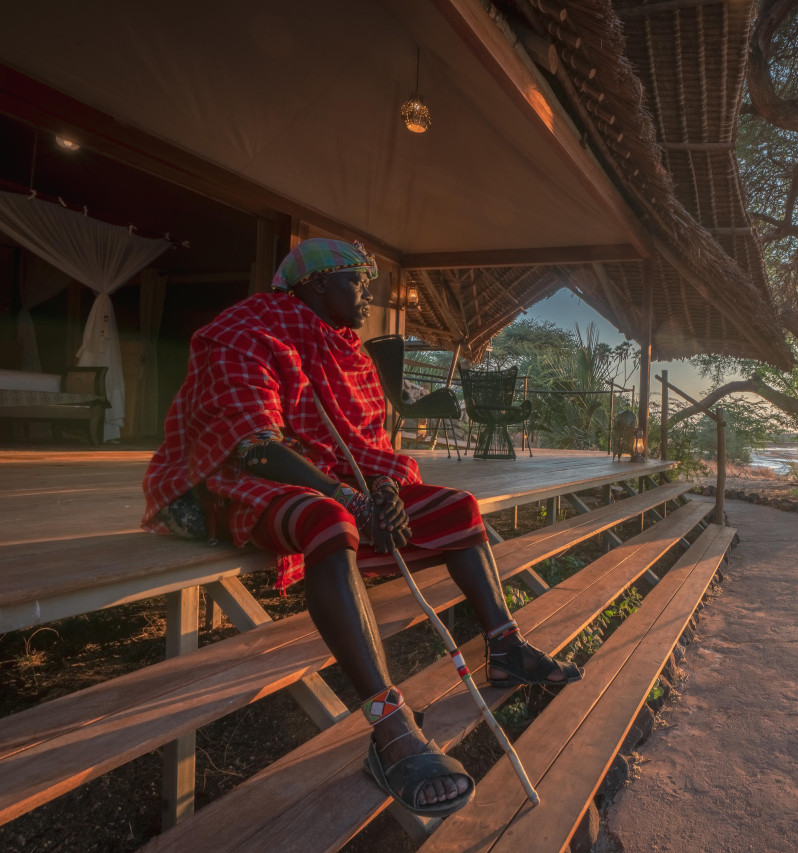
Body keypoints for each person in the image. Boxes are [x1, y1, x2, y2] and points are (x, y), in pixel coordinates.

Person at [141, 238, 580, 817]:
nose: (367, 294)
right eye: (356, 280)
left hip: (335, 481)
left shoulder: (350, 353)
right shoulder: (247, 330)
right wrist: (349, 494)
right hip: (239, 481)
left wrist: (389, 493)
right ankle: (389, 722)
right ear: (316, 284)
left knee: (457, 508)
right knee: (329, 519)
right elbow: (250, 445)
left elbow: (373, 448)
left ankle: (504, 646)